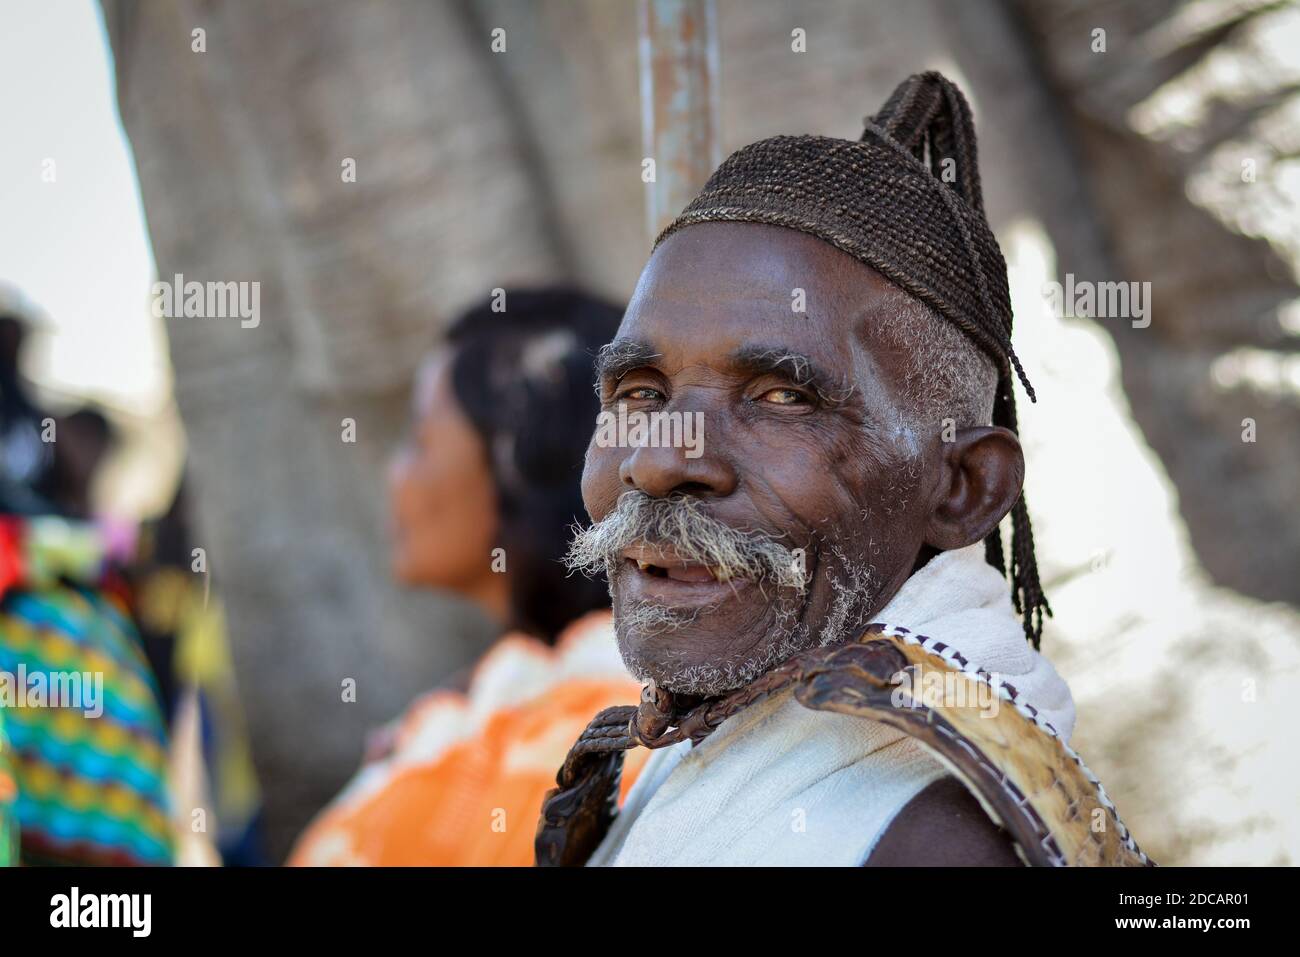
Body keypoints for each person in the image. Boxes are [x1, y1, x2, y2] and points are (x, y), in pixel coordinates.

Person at [540, 72, 1150, 867]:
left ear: (964, 487)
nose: (658, 460)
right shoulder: (740, 724)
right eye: (640, 391)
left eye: (783, 396)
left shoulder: (931, 844)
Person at [291, 287, 647, 866]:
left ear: (520, 457)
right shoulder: (489, 708)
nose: (394, 473)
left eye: (417, 436)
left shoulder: (600, 723)